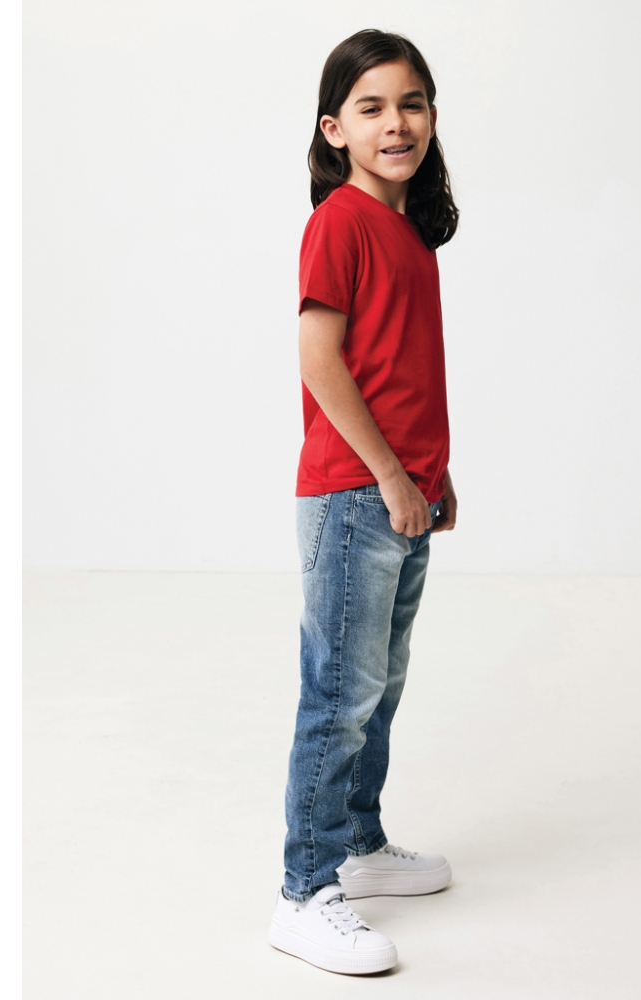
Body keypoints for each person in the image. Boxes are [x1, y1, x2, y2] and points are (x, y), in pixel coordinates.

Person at [267, 29, 460, 975]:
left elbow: (404, 370)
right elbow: (321, 361)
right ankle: (304, 892)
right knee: (339, 695)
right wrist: (388, 474)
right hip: (354, 496)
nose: (397, 123)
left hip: (400, 493)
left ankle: (358, 843)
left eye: (411, 103)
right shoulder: (340, 221)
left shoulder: (408, 232)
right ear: (334, 128)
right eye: (372, 107)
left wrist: (431, 474)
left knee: (377, 687)